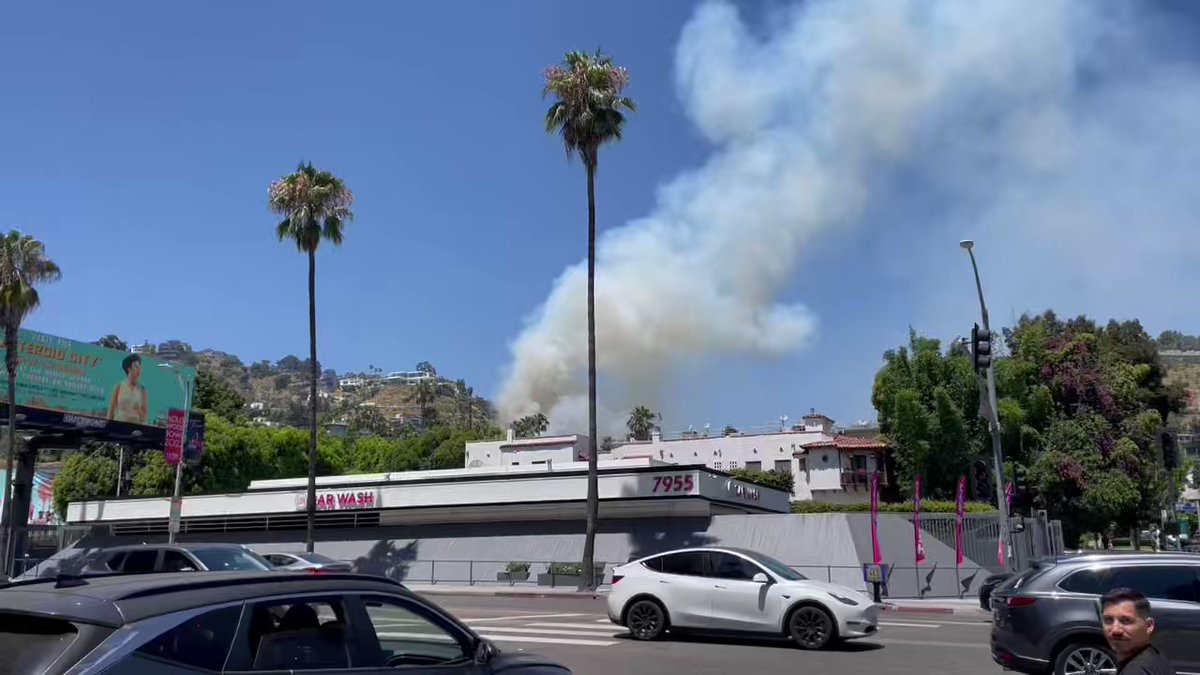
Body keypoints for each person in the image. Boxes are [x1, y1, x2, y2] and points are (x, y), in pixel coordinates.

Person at [1100, 587, 1175, 674]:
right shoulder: (1154, 656)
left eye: (1126, 621)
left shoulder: (1136, 671)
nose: (1116, 630)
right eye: (1108, 620)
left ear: (1148, 626)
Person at [108, 354, 148, 424]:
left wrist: (138, 409)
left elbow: (144, 416)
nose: (139, 370)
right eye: (136, 367)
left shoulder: (142, 389)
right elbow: (111, 409)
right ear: (129, 369)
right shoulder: (119, 386)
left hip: (135, 427)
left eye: (139, 367)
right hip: (118, 424)